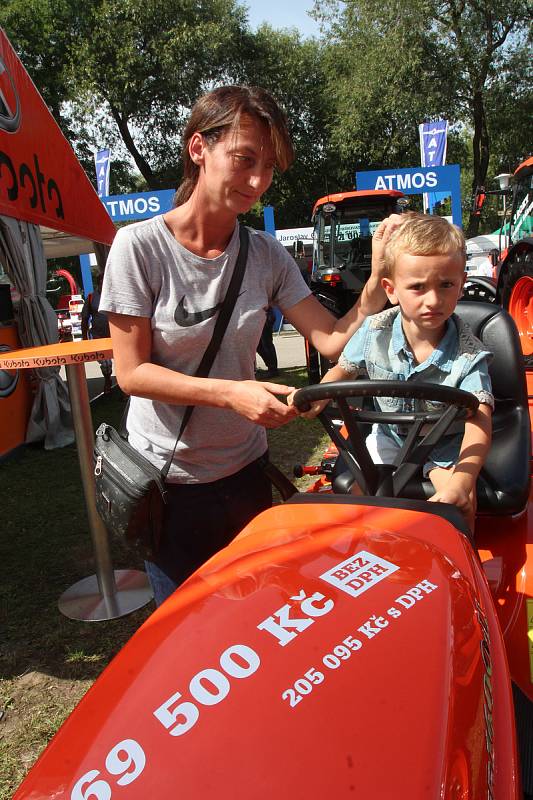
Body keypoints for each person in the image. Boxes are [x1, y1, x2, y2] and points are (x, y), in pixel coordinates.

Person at [100, 85, 399, 606]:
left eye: (268, 168)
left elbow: (329, 339)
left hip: (247, 477)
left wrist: (375, 287)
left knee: (259, 617)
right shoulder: (139, 247)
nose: (258, 181)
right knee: (187, 632)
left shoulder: (266, 255)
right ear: (199, 148)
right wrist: (232, 393)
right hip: (171, 487)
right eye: (244, 159)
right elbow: (131, 374)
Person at [290, 212, 493, 532]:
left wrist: (462, 480)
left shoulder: (468, 354)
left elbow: (479, 419)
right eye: (417, 287)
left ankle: (459, 563)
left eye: (446, 285)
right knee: (359, 499)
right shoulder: (374, 332)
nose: (433, 300)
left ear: (461, 284)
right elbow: (343, 369)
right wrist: (317, 397)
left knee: (459, 502)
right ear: (391, 289)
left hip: (443, 445)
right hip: (389, 437)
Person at [81, 273, 113, 394]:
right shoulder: (91, 297)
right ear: (98, 282)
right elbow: (84, 319)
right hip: (98, 336)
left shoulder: (114, 296)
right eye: (101, 281)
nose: (103, 283)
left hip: (115, 335)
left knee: (122, 362)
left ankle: (124, 389)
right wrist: (84, 339)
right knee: (106, 363)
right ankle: (107, 380)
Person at [256, 306, 279, 378]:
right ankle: (270, 367)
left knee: (266, 344)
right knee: (259, 346)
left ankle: (273, 370)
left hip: (265, 315)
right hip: (259, 316)